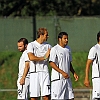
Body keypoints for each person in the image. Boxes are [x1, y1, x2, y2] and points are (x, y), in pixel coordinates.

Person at [49, 32, 79, 100]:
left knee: (71, 98)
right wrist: (62, 72)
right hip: (58, 80)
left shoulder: (68, 49)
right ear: (60, 39)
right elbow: (51, 63)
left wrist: (73, 73)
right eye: (65, 38)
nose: (66, 40)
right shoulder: (55, 49)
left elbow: (69, 63)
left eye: (67, 38)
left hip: (67, 79)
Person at [27, 27, 52, 100]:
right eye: (46, 35)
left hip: (44, 72)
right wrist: (44, 57)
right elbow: (31, 57)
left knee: (46, 96)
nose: (48, 36)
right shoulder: (31, 45)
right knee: (34, 97)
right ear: (41, 35)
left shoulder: (48, 46)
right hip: (34, 73)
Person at [84, 32, 100, 100]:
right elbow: (88, 64)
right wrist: (86, 78)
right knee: (97, 97)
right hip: (97, 78)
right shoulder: (94, 49)